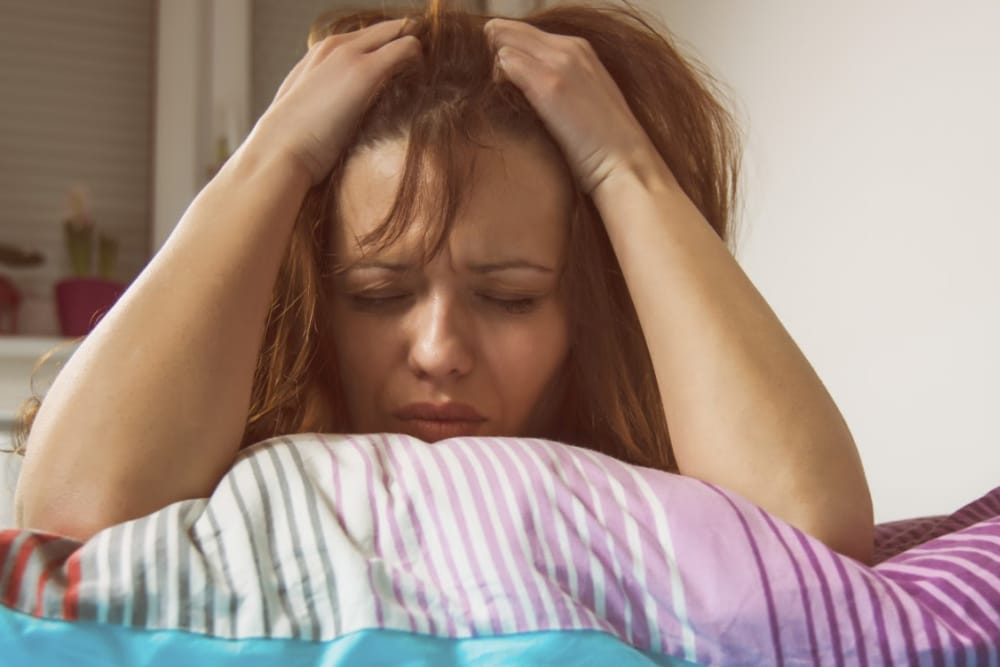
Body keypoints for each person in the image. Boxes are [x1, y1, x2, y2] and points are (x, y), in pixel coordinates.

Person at [11, 1, 873, 563]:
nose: (439, 351)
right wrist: (273, 159)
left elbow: (810, 537)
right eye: (379, 293)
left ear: (591, 310)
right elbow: (66, 521)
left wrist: (626, 170)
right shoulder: (232, 469)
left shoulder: (647, 511)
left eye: (510, 296)